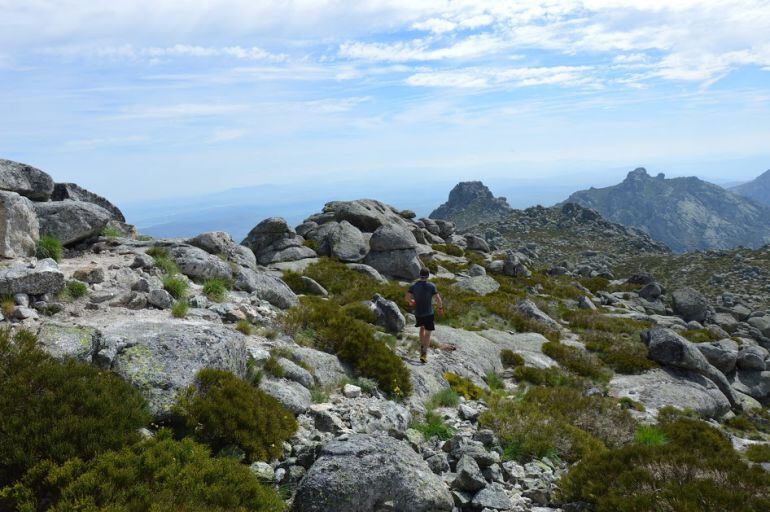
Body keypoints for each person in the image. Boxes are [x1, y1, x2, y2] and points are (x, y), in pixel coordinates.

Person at [405, 267, 444, 364]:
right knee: (428, 333)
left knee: (422, 328)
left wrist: (411, 301)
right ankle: (424, 354)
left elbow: (407, 298)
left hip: (418, 313)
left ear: (419, 274)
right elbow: (438, 299)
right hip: (428, 313)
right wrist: (440, 308)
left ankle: (422, 347)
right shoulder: (431, 286)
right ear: (428, 275)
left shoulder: (414, 286)